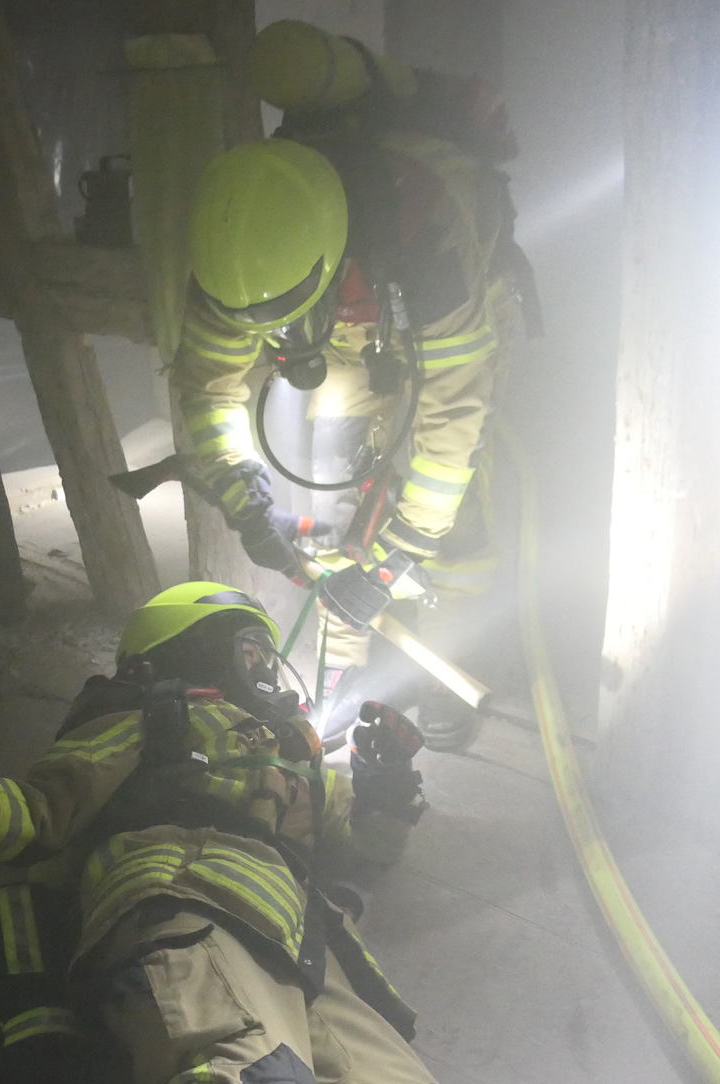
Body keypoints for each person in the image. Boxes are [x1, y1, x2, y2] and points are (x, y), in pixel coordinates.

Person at [0, 582, 504, 1084]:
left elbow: (368, 846)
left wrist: (385, 785)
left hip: (307, 949)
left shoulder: (293, 755)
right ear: (191, 647)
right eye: (250, 650)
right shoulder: (154, 718)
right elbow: (37, 814)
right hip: (194, 899)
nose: (266, 669)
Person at [171, 20, 537, 752]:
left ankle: (447, 655)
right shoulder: (234, 259)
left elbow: (453, 415)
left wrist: (401, 552)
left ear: (330, 262)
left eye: (283, 319)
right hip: (344, 320)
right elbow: (208, 389)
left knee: (457, 502)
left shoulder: (429, 234)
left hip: (442, 310)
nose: (270, 337)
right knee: (331, 487)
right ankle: (340, 666)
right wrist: (244, 497)